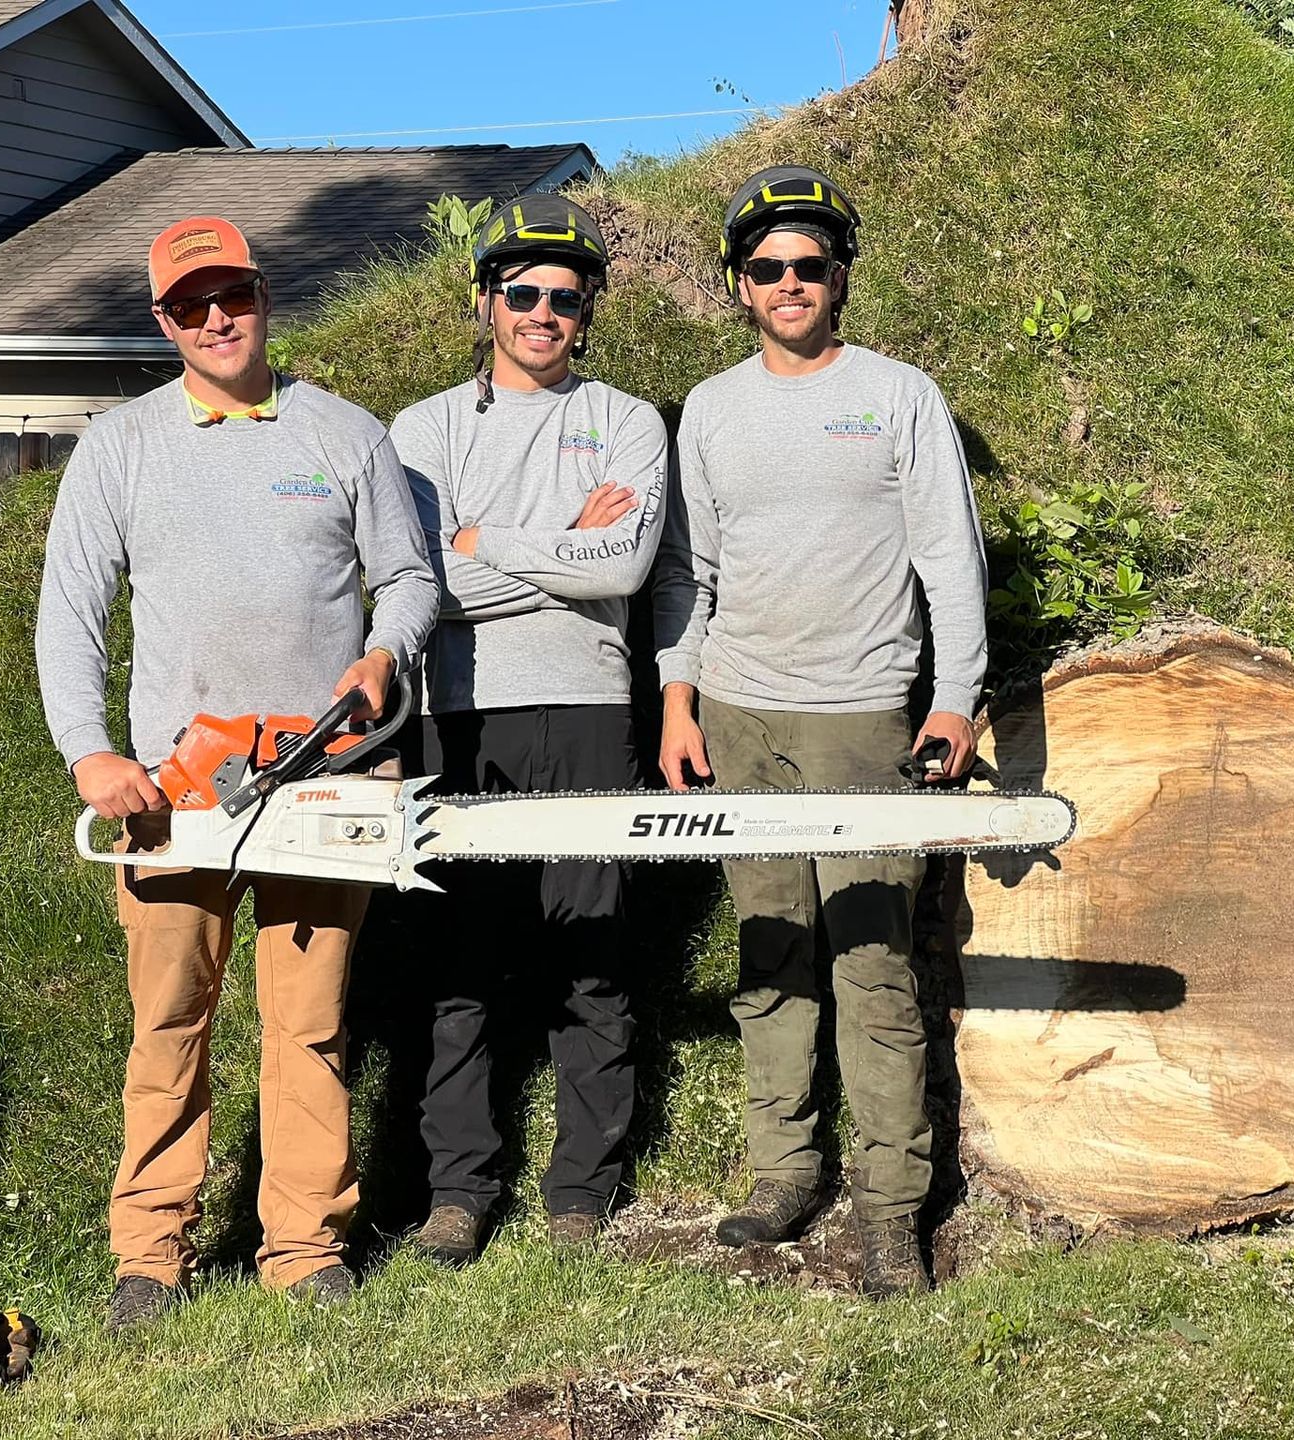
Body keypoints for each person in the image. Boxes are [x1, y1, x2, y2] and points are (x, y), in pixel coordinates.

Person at [35, 216, 438, 1330]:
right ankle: (150, 1256)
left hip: (324, 780)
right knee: (169, 1024)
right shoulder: (119, 447)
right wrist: (93, 754)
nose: (218, 321)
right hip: (178, 789)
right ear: (163, 320)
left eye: (235, 298)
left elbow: (408, 580)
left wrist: (383, 649)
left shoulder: (346, 434)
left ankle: (305, 1244)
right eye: (191, 305)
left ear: (265, 298)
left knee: (309, 1024)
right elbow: (69, 612)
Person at [653, 165, 988, 1298]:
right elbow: (690, 573)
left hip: (863, 718)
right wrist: (679, 697)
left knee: (873, 965)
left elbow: (950, 557)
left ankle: (893, 1207)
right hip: (741, 713)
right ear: (741, 288)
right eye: (766, 270)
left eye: (809, 266)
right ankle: (782, 1171)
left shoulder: (899, 394)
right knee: (771, 953)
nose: (788, 284)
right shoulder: (709, 407)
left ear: (839, 278)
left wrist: (954, 696)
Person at [387, 191, 667, 1265]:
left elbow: (628, 567)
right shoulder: (423, 429)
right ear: (486, 300)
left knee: (592, 956)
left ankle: (581, 1190)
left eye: (564, 294)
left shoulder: (630, 421)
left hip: (593, 706)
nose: (542, 311)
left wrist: (482, 537)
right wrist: (557, 547)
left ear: (588, 306)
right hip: (460, 713)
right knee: (463, 959)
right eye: (522, 292)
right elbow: (424, 585)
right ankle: (459, 1188)